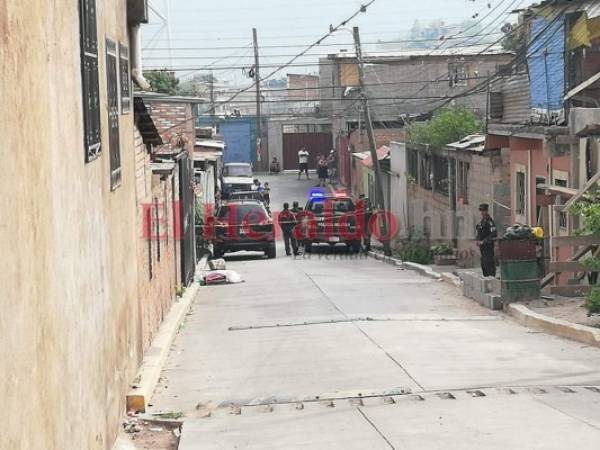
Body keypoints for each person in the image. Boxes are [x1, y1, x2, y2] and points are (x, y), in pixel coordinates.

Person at [476, 203, 497, 277]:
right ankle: (486, 280)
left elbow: (494, 233)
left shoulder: (490, 221)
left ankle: (491, 280)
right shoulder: (481, 222)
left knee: (489, 264)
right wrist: (478, 240)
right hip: (482, 248)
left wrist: (483, 241)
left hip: (488, 246)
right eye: (481, 210)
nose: (482, 212)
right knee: (483, 264)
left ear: (487, 211)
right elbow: (479, 233)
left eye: (484, 210)